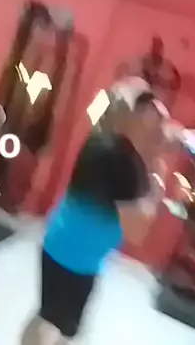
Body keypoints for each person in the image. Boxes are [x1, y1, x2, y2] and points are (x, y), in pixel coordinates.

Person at [21, 77, 173, 345]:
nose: (156, 119)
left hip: (76, 254)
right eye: (147, 108)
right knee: (52, 322)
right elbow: (136, 232)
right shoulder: (117, 156)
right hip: (71, 257)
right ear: (132, 115)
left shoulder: (116, 147)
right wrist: (159, 183)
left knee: (60, 324)